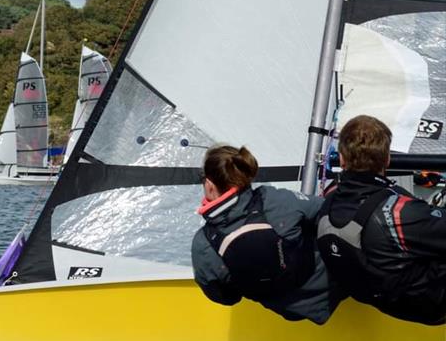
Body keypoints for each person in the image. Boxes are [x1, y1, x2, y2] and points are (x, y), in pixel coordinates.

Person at [317, 115, 446, 325]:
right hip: (430, 305)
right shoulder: (401, 213)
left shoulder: (327, 202)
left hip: (383, 300)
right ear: (387, 159)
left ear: (341, 158)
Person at [191, 145, 342, 325]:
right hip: (334, 284)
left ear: (209, 185)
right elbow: (324, 210)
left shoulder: (203, 245)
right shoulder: (272, 199)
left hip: (289, 311)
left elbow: (226, 298)